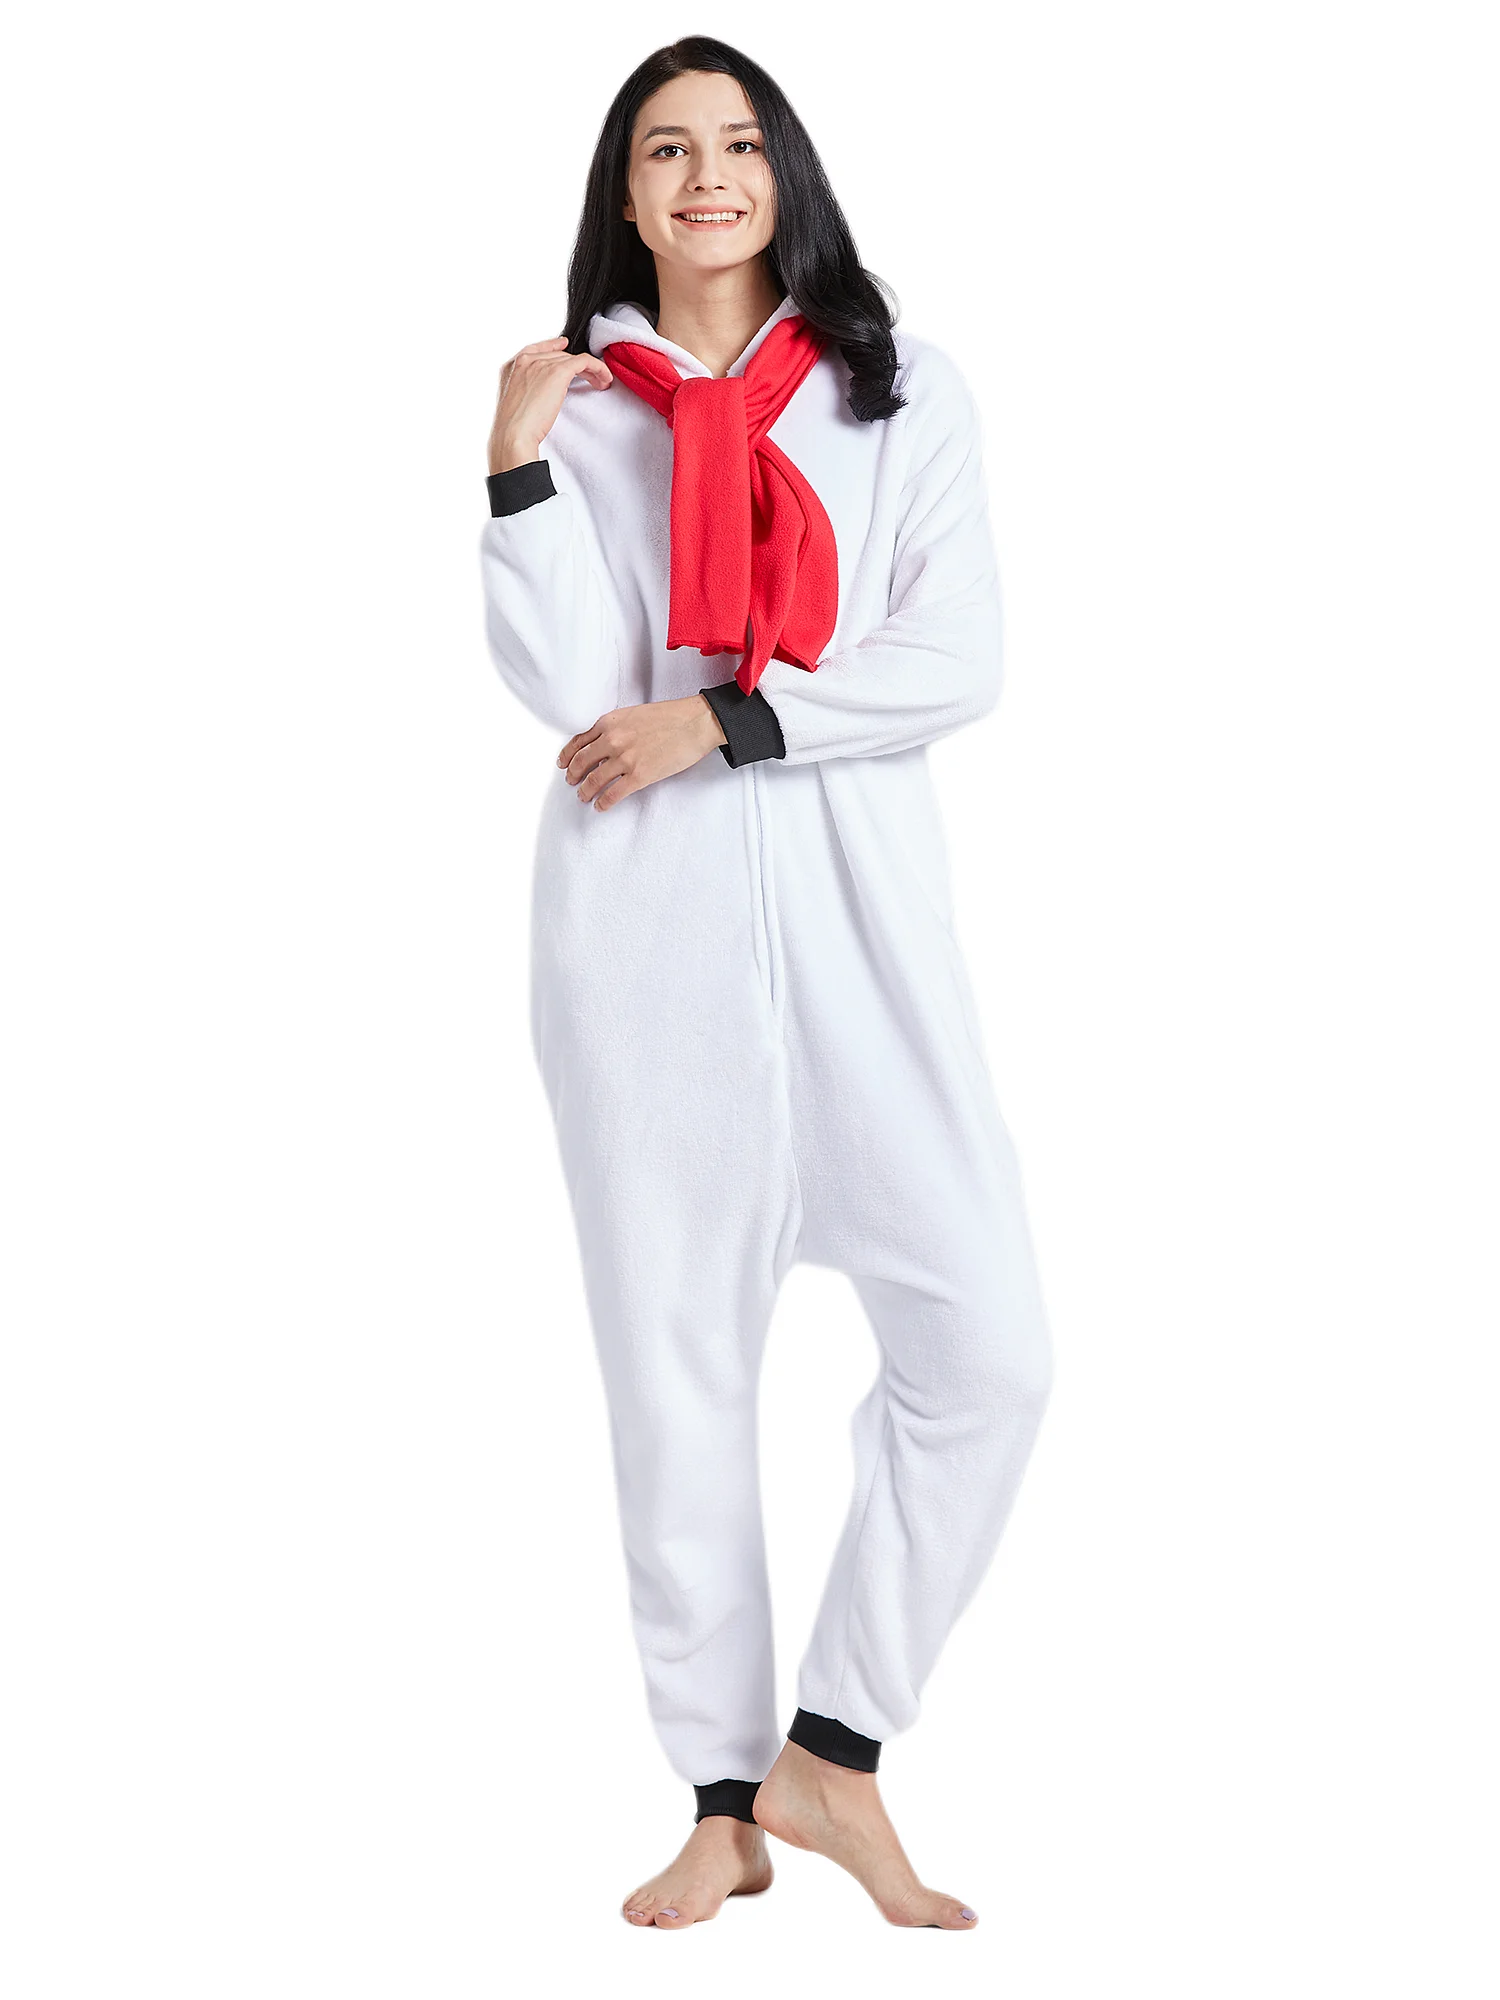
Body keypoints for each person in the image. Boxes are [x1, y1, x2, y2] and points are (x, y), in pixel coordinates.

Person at [478, 37, 1053, 1933]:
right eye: (667, 151)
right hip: (640, 953)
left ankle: (839, 1747)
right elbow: (578, 696)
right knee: (677, 1376)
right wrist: (513, 467)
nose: (708, 176)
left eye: (738, 143)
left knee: (988, 1351)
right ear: (626, 196)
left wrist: (725, 720)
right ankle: (724, 1801)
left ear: (784, 172)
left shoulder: (901, 394)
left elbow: (953, 659)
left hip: (863, 932)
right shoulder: (583, 413)